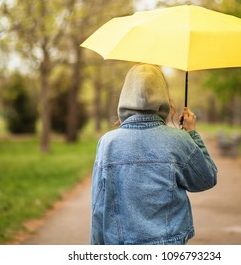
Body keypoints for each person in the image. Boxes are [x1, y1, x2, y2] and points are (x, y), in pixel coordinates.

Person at [90, 63, 218, 245]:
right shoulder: (178, 140)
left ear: (125, 96)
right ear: (163, 97)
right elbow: (207, 178)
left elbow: (98, 207)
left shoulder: (107, 143)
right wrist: (191, 134)